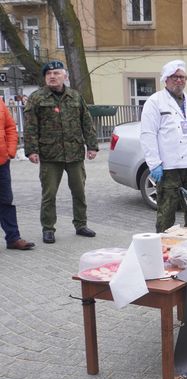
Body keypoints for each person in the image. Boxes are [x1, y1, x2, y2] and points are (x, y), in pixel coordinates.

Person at [24, 61, 98, 244]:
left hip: (74, 153)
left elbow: (86, 122)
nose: (52, 76)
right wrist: (31, 151)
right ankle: (48, 228)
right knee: (49, 194)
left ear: (65, 76)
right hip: (50, 155)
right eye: (48, 73)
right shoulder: (37, 98)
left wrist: (92, 146)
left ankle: (81, 224)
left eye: (56, 73)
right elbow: (30, 127)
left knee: (79, 192)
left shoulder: (75, 96)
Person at [140, 60, 187, 233]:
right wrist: (154, 163)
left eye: (182, 77)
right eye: (174, 77)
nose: (179, 80)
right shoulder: (155, 102)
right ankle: (163, 249)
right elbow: (148, 135)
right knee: (167, 213)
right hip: (168, 167)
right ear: (166, 79)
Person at [1, 98, 35, 251]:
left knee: (6, 200)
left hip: (2, 162)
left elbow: (9, 127)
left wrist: (10, 151)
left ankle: (13, 238)